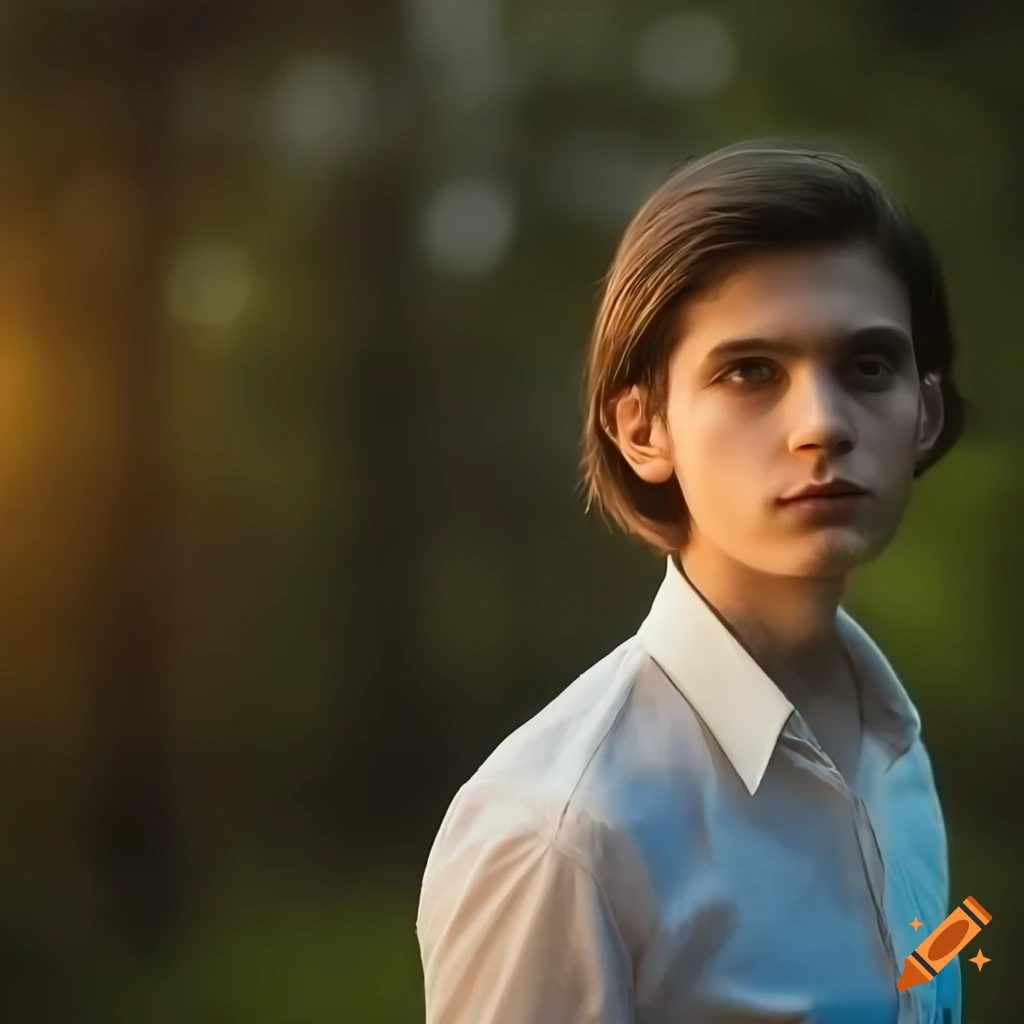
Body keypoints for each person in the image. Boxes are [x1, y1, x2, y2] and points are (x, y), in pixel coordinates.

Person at [415, 140, 967, 1023]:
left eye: (868, 366)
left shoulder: (894, 749)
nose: (822, 424)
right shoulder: (560, 832)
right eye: (750, 371)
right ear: (644, 427)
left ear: (925, 413)